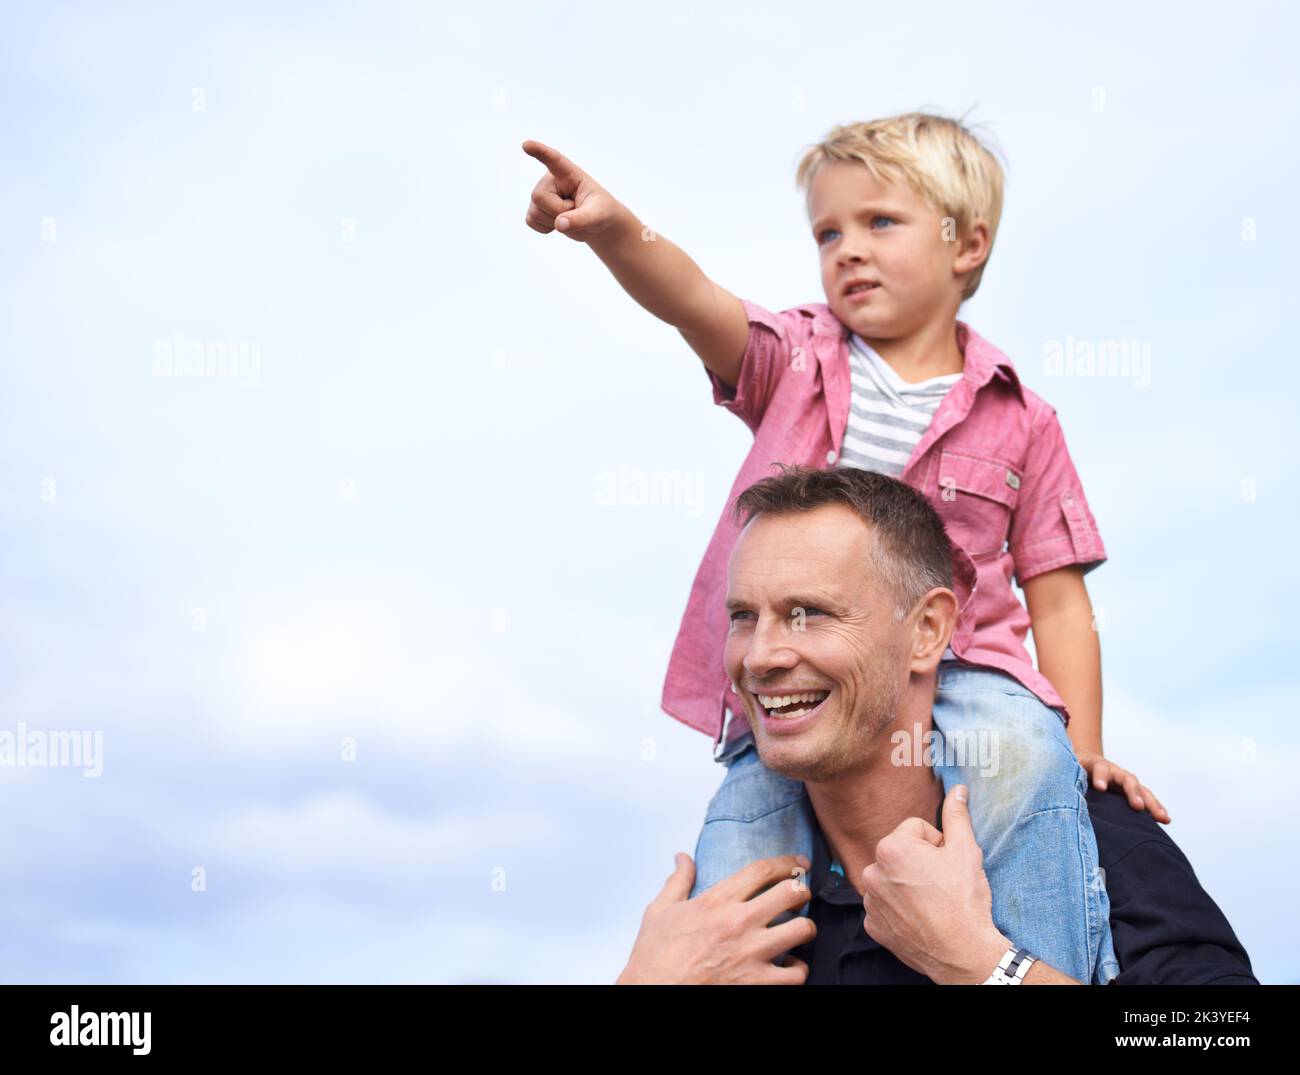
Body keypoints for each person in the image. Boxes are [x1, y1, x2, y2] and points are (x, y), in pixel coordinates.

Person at [523, 111, 1163, 984]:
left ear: (967, 244)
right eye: (828, 231)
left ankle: (1034, 962)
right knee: (742, 820)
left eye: (880, 222)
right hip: (818, 690)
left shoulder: (1024, 417)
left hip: (975, 673)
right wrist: (611, 229)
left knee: (1028, 764)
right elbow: (695, 299)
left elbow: (1057, 597)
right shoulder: (801, 359)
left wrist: (1083, 746)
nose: (847, 250)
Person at [615, 468, 1255, 985]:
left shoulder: (1084, 834)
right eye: (744, 617)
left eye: (807, 613)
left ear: (927, 632)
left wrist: (982, 966)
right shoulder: (720, 923)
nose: (760, 657)